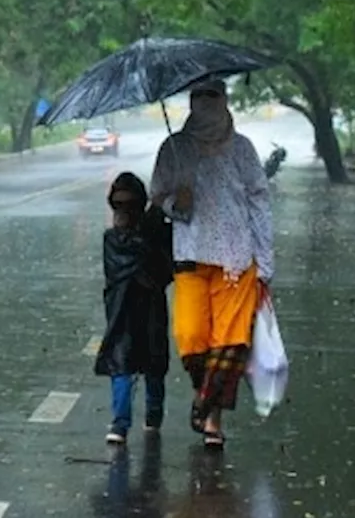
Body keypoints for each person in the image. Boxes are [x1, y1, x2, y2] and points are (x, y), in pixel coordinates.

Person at [150, 78, 273, 449]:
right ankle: (204, 395)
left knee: (230, 343)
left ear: (224, 99)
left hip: (237, 259)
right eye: (199, 95)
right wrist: (177, 204)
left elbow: (260, 204)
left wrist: (266, 264)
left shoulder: (242, 149)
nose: (206, 102)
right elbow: (158, 195)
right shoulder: (174, 149)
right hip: (190, 255)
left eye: (212, 95)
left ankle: (211, 416)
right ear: (191, 101)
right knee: (191, 338)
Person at [97, 172, 173, 445]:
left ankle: (154, 414)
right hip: (122, 310)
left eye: (129, 203)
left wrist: (154, 228)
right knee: (122, 363)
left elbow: (161, 272)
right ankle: (120, 421)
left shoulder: (158, 233)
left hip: (151, 308)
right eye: (118, 204)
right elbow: (126, 265)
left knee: (154, 364)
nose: (123, 210)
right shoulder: (112, 239)